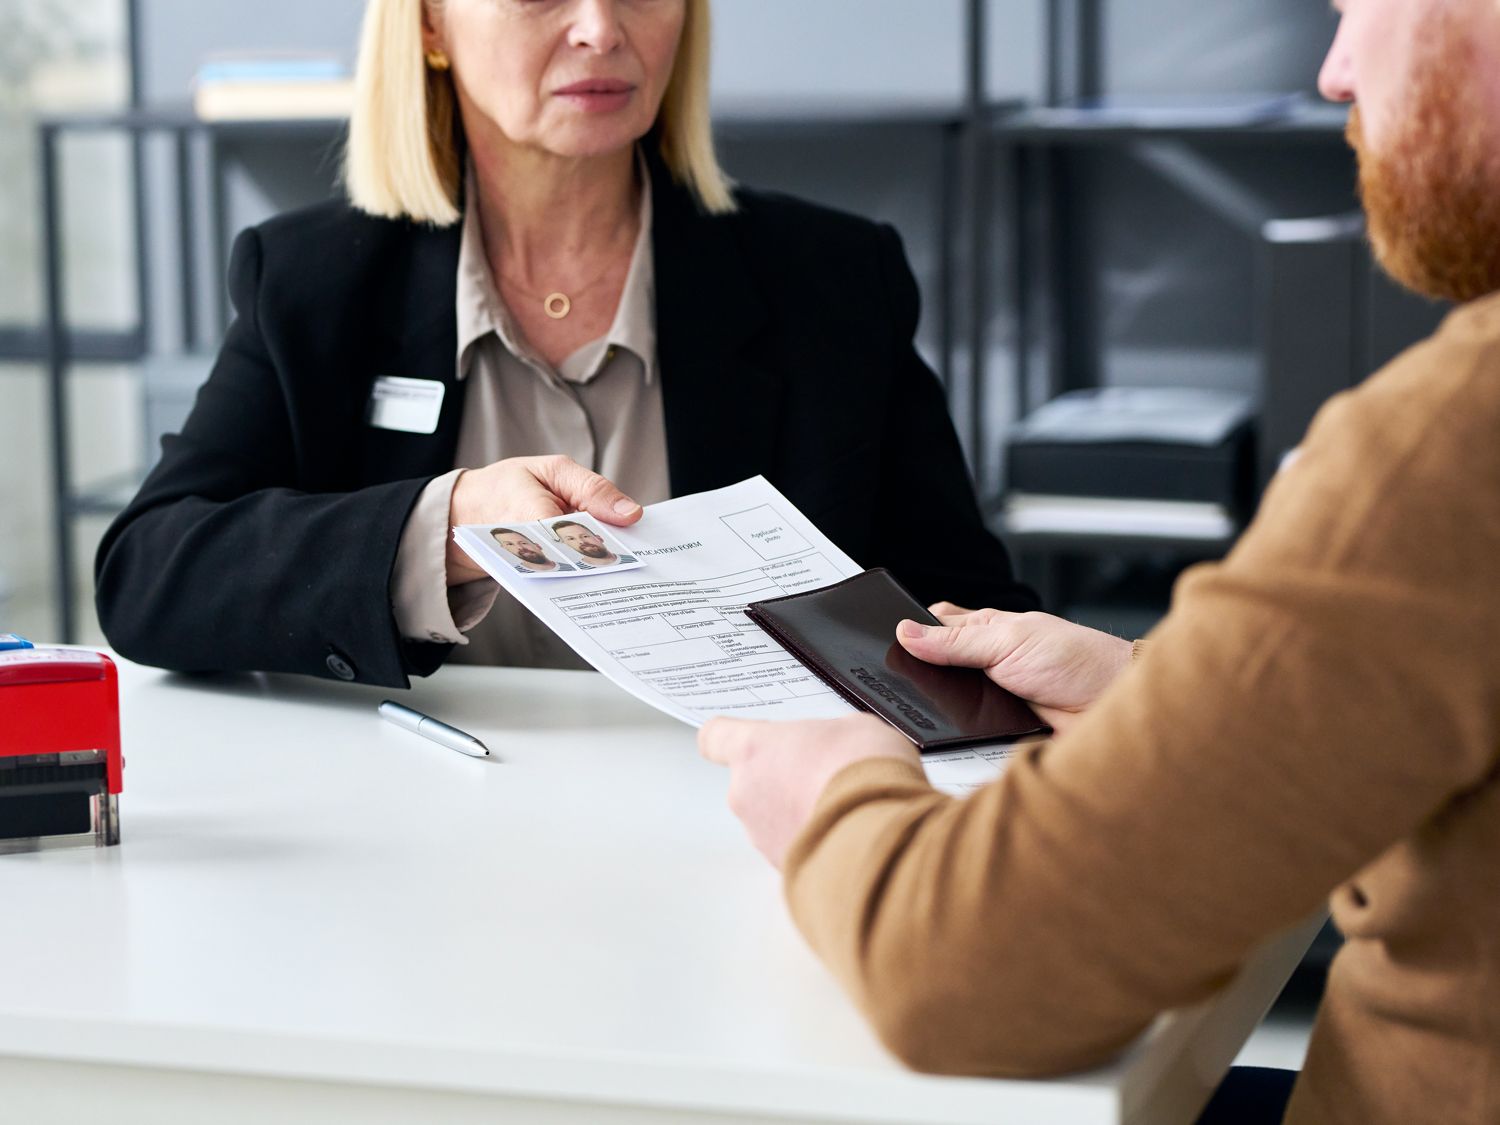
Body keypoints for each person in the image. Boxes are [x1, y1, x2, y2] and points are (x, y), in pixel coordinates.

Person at [699, 2, 1500, 1122]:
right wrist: (1149, 686)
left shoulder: (1449, 444)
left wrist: (836, 791)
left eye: (1363, 8)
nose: (1334, 71)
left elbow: (968, 972)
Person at [93, 0, 1036, 687]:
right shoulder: (313, 280)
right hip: (420, 830)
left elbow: (968, 612)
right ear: (430, 23)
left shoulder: (832, 279)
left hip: (744, 820)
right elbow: (150, 573)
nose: (601, 27)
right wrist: (445, 527)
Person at [552, 518, 635, 566]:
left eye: (585, 536)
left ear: (599, 538)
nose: (581, 541)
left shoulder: (632, 560)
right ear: (568, 545)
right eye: (571, 539)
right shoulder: (574, 571)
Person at [491, 528, 572, 573]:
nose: (520, 547)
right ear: (506, 549)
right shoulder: (513, 574)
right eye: (510, 544)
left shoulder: (571, 568)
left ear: (538, 546)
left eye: (523, 543)